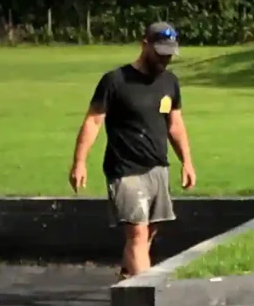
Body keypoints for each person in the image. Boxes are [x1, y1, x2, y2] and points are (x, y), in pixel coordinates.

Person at [70, 24, 197, 278]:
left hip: (158, 167)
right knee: (137, 235)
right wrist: (79, 162)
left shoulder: (170, 82)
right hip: (125, 169)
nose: (165, 58)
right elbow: (94, 121)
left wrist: (187, 161)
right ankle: (149, 296)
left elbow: (175, 125)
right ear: (144, 45)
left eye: (169, 53)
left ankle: (127, 278)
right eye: (160, 52)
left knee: (149, 232)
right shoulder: (115, 81)